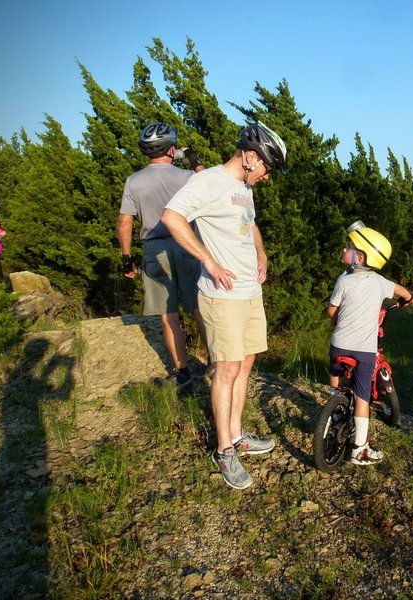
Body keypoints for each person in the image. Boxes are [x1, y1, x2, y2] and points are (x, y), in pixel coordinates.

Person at [161, 121, 287, 490]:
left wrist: (261, 253)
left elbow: (250, 225)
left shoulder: (243, 187)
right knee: (227, 370)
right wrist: (208, 260)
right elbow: (172, 217)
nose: (266, 176)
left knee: (246, 362)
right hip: (222, 296)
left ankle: (237, 434)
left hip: (249, 291)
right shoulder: (207, 182)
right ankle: (224, 450)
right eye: (266, 167)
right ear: (250, 157)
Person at [118, 122, 207, 389]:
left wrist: (126, 257)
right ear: (171, 149)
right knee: (198, 308)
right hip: (187, 244)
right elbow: (209, 184)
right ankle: (216, 362)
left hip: (153, 249)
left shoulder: (133, 181)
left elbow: (125, 222)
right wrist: (194, 160)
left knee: (168, 315)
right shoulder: (187, 177)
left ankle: (182, 371)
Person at [327, 220, 412, 465]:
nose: (344, 249)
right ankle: (359, 450)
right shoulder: (380, 282)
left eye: (349, 246)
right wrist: (408, 299)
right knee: (363, 398)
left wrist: (338, 319)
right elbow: (403, 292)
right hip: (364, 350)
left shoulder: (342, 282)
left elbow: (331, 311)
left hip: (340, 344)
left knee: (335, 368)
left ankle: (334, 399)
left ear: (360, 258)